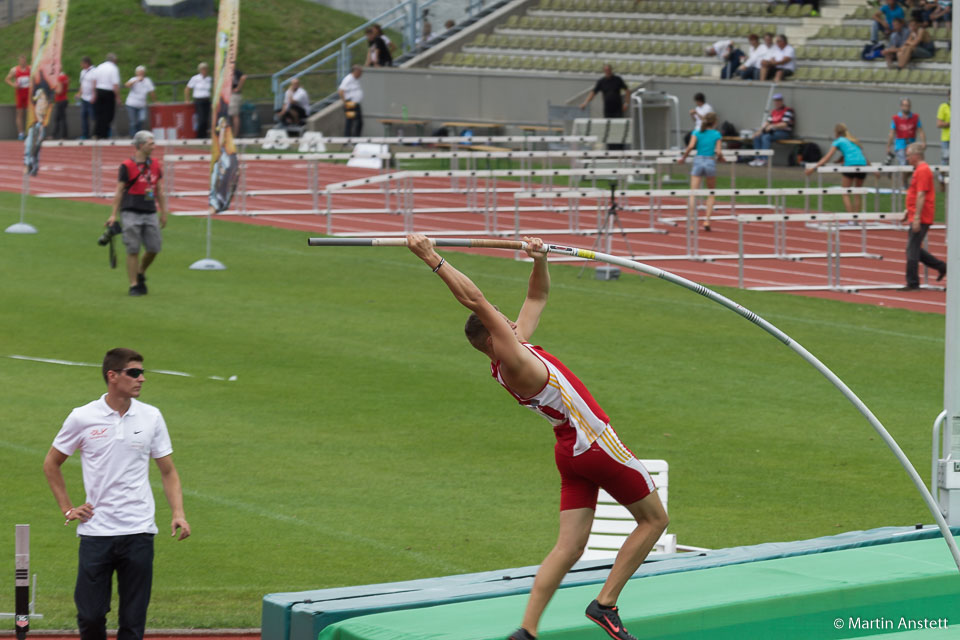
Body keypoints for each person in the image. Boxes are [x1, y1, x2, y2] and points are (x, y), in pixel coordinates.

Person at [405, 233, 668, 640]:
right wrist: (431, 258)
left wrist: (539, 259)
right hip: (596, 443)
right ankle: (605, 604)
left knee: (569, 549)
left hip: (569, 452)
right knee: (654, 520)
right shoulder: (513, 358)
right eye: (499, 318)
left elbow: (537, 299)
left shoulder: (513, 351)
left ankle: (526, 630)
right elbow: (474, 300)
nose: (507, 317)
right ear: (492, 339)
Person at [43, 347, 190, 640]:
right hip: (96, 533)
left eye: (142, 373)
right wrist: (68, 509)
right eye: (134, 372)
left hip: (139, 531)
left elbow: (168, 471)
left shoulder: (151, 417)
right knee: (90, 615)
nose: (141, 379)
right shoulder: (82, 417)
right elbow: (51, 464)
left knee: (133, 623)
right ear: (113, 376)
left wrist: (178, 513)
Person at [106, 131, 168, 297]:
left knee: (154, 247)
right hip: (130, 211)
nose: (154, 146)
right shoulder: (126, 166)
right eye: (150, 143)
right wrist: (113, 214)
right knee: (133, 249)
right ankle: (134, 285)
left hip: (150, 211)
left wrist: (163, 211)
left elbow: (159, 189)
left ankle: (140, 271)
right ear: (140, 146)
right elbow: (119, 190)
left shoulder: (155, 164)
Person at [900, 142, 946, 290]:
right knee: (913, 249)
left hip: (921, 216)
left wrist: (917, 218)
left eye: (908, 156)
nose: (907, 159)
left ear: (915, 156)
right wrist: (909, 211)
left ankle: (912, 283)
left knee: (912, 251)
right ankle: (942, 267)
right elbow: (915, 194)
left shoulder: (923, 170)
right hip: (916, 214)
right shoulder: (919, 170)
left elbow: (921, 195)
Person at [804, 124, 869, 213]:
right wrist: (873, 169)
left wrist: (813, 169)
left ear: (836, 133)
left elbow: (827, 157)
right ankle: (856, 219)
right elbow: (861, 156)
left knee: (845, 192)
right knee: (857, 193)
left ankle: (851, 218)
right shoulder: (853, 140)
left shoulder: (838, 141)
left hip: (850, 165)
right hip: (862, 165)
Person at [678, 112, 724, 232]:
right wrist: (721, 158)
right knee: (711, 192)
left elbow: (690, 146)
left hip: (698, 160)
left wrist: (683, 158)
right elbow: (718, 152)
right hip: (709, 161)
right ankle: (707, 220)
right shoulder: (716, 134)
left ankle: (692, 223)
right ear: (714, 122)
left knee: (693, 193)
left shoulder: (697, 132)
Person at [750, 93, 795, 166]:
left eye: (778, 100)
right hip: (773, 132)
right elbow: (767, 122)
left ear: (782, 101)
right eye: (775, 101)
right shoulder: (774, 112)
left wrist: (772, 126)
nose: (776, 102)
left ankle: (764, 159)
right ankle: (757, 158)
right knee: (757, 137)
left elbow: (785, 124)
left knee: (766, 137)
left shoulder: (788, 111)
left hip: (784, 133)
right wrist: (759, 131)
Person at [886, 98, 926, 167]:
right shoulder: (896, 118)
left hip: (911, 145)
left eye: (907, 105)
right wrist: (888, 146)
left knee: (912, 164)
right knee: (903, 163)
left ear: (910, 106)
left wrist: (923, 142)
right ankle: (902, 176)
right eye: (904, 105)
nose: (906, 107)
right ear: (901, 106)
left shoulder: (915, 117)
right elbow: (892, 133)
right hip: (900, 145)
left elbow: (920, 131)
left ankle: (907, 177)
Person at [93, 53, 121, 139]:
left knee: (99, 114)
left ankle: (97, 133)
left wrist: (94, 93)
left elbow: (94, 80)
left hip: (99, 90)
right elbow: (115, 84)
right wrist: (118, 97)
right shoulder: (113, 68)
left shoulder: (100, 66)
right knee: (108, 114)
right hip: (108, 92)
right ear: (114, 60)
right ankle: (104, 133)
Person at [124, 66, 155, 137]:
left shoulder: (147, 80)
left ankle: (139, 135)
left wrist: (154, 101)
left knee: (142, 120)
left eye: (142, 72)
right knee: (133, 122)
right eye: (139, 72)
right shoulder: (133, 79)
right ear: (136, 73)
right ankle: (133, 136)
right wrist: (136, 80)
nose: (141, 74)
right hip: (131, 104)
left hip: (142, 105)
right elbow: (126, 85)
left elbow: (151, 91)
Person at [5, 54, 31, 140]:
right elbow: (7, 79)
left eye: (24, 61)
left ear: (26, 61)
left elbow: (35, 78)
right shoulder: (15, 70)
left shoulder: (30, 69)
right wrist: (14, 85)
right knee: (20, 114)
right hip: (20, 94)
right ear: (19, 61)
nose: (23, 62)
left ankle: (29, 132)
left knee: (29, 113)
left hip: (28, 94)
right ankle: (21, 133)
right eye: (21, 61)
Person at [185, 62, 212, 138]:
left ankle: (205, 134)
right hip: (199, 100)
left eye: (205, 69)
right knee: (201, 118)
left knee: (207, 118)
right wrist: (187, 99)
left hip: (206, 99)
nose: (204, 71)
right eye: (203, 69)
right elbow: (187, 89)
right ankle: (200, 135)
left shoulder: (209, 79)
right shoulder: (195, 78)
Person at [338, 65, 363, 137]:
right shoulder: (348, 79)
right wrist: (346, 102)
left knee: (358, 122)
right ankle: (348, 139)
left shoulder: (356, 79)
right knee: (350, 122)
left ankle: (356, 139)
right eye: (360, 72)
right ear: (356, 71)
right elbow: (341, 91)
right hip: (350, 103)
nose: (361, 74)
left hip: (356, 104)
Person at [76, 56, 96, 140]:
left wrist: (94, 96)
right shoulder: (82, 72)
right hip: (84, 98)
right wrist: (79, 93)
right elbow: (82, 84)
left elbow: (95, 84)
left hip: (91, 98)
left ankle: (96, 133)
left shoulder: (94, 71)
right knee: (84, 117)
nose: (81, 65)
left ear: (86, 63)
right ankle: (85, 134)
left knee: (94, 117)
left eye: (82, 63)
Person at [51, 69, 69, 139]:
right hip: (64, 99)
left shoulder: (60, 78)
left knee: (58, 119)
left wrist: (53, 88)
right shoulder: (65, 77)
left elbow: (59, 90)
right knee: (60, 118)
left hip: (60, 100)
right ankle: (58, 134)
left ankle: (60, 135)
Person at [230, 66, 247, 136]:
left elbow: (244, 77)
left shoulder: (235, 72)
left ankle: (235, 134)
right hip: (232, 95)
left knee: (234, 115)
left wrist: (237, 88)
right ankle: (232, 133)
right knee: (232, 115)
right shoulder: (228, 72)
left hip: (234, 95)